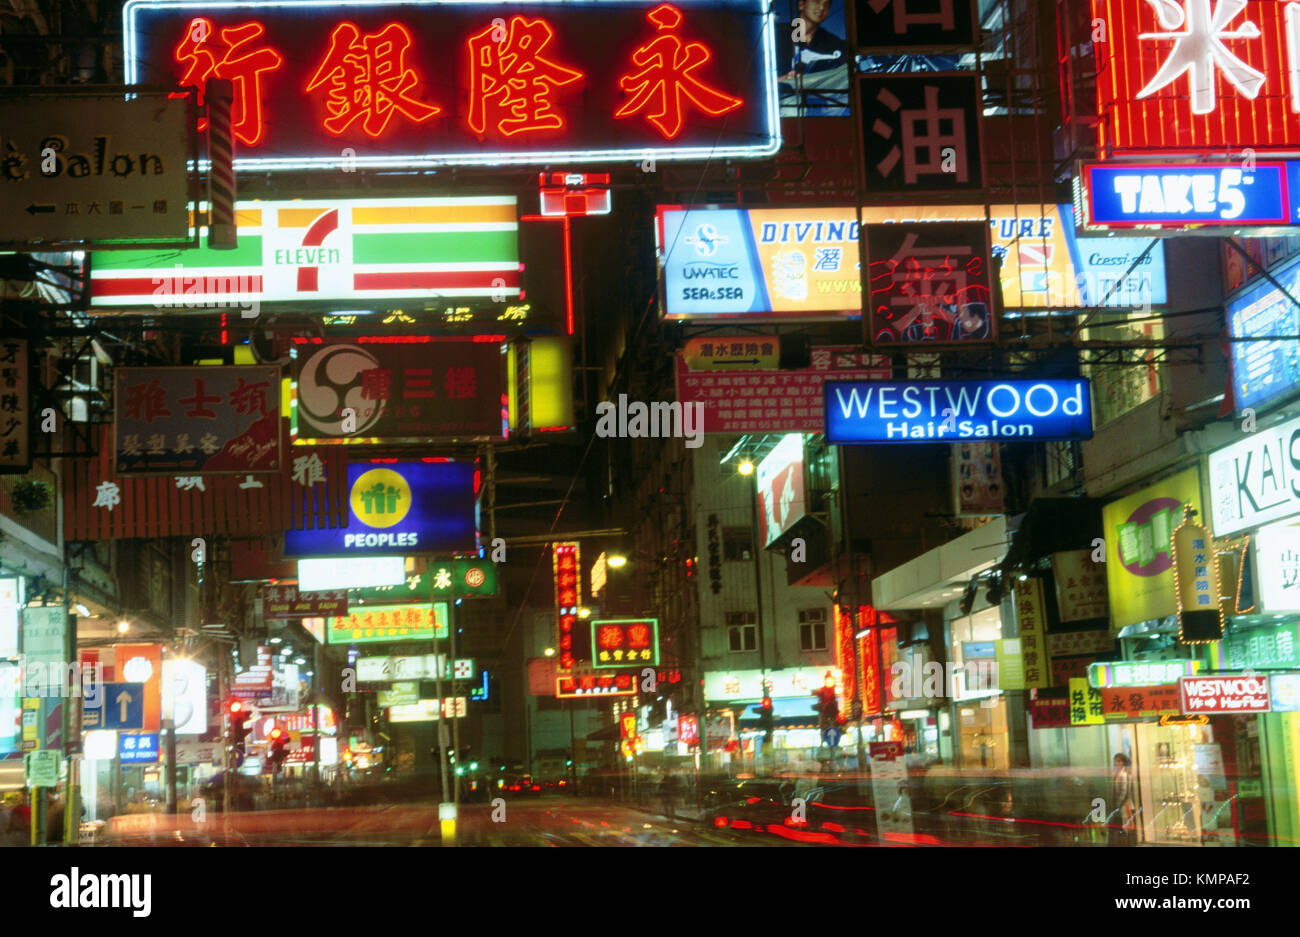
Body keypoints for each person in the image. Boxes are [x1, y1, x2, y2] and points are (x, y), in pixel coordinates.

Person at [1110, 753, 1136, 846]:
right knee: (1122, 826)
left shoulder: (1124, 774)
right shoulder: (1116, 774)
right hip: (1120, 804)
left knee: (1126, 826)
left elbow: (1125, 791)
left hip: (1125, 805)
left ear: (1123, 762)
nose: (1117, 763)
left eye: (1119, 761)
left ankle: (1128, 843)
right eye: (1116, 761)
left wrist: (1119, 803)